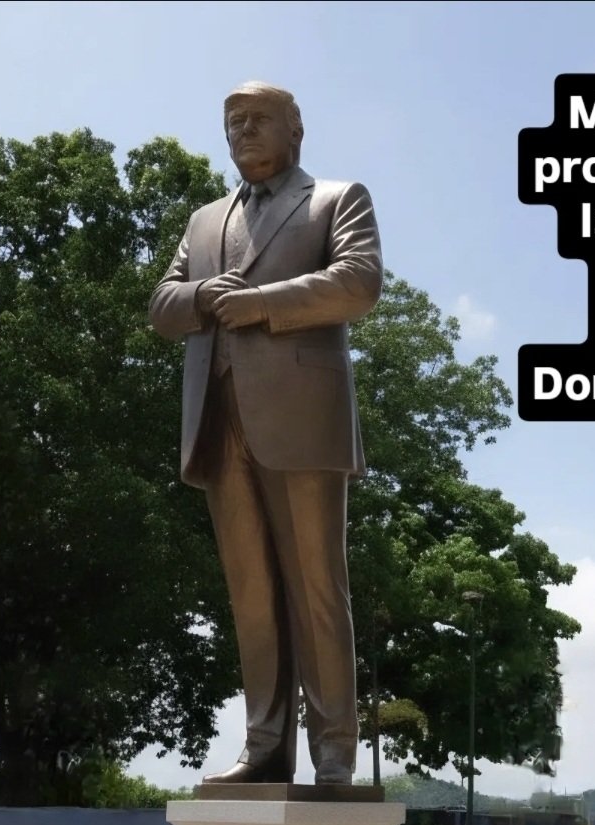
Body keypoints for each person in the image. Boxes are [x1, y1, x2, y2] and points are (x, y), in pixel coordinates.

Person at [148, 82, 383, 785]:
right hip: (220, 424)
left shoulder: (336, 199)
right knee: (250, 593)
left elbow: (359, 282)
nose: (242, 133)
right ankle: (264, 745)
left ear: (295, 131)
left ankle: (335, 748)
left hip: (303, 421)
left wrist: (258, 305)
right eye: (232, 123)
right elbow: (163, 305)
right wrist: (199, 298)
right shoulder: (203, 220)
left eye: (257, 121)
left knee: (317, 587)